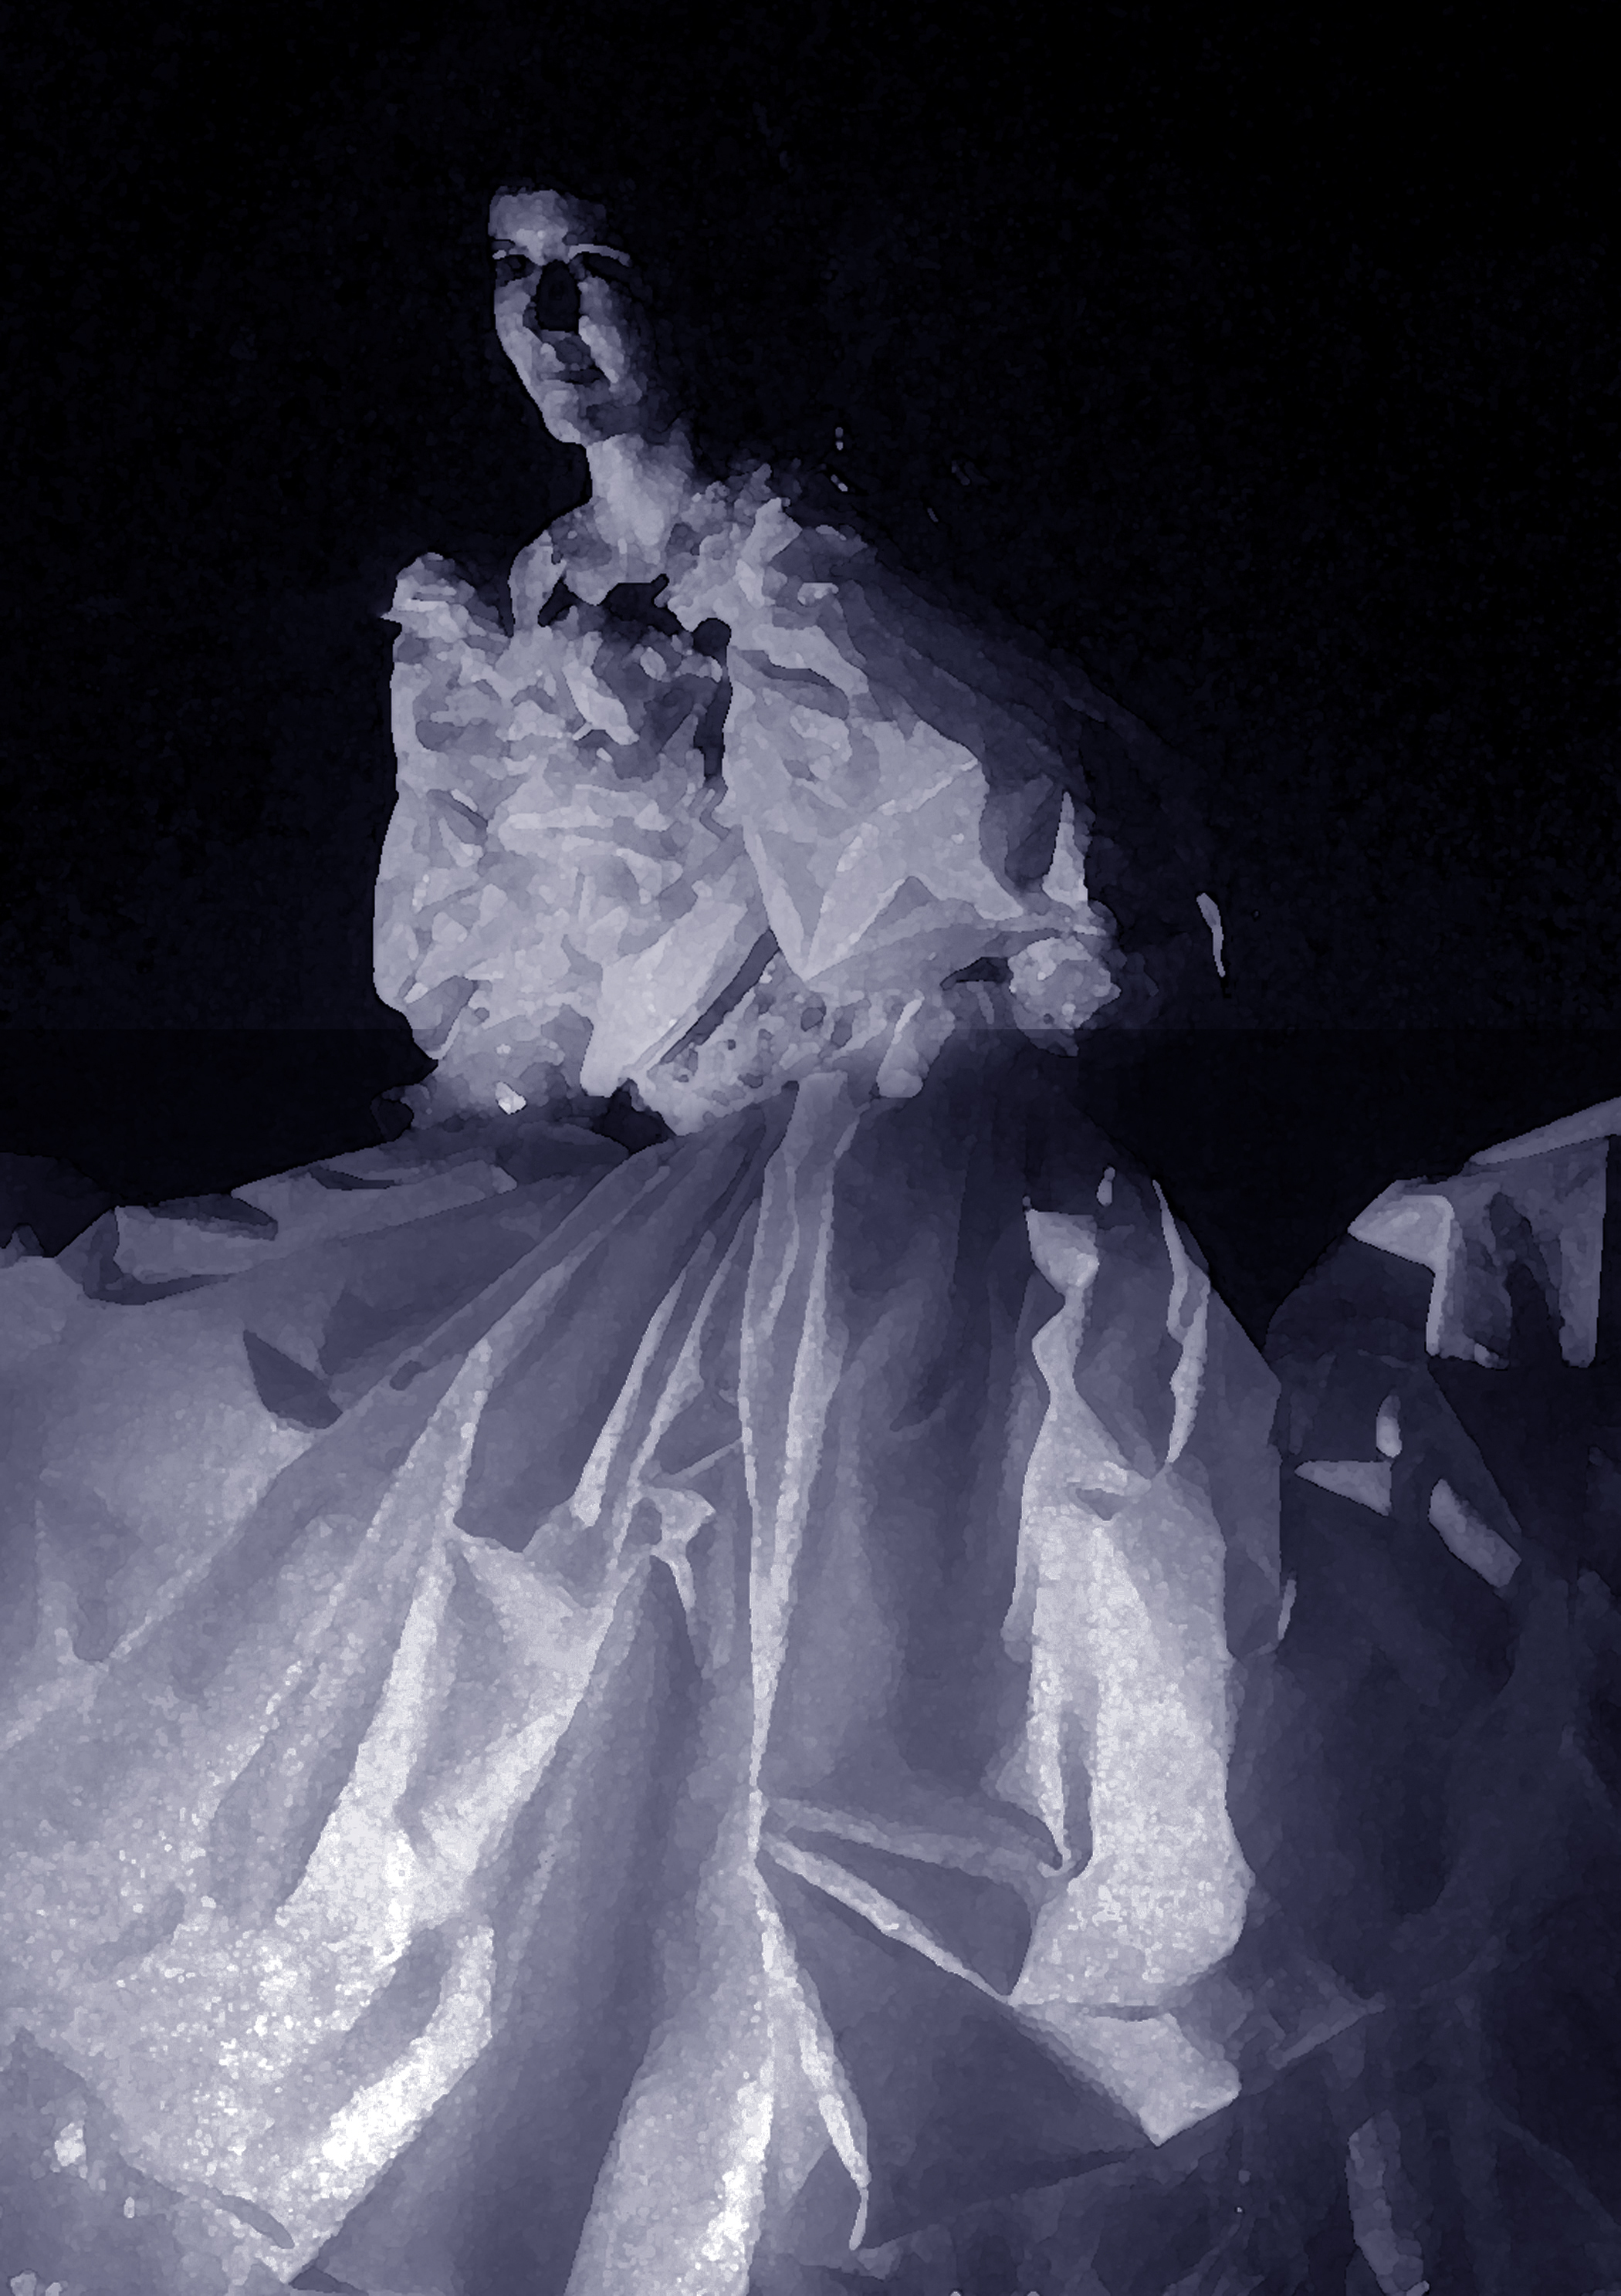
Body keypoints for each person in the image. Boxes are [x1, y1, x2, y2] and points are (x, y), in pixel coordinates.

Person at [2, 187, 1613, 2296]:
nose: (545, 320)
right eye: (507, 274)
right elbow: (513, 996)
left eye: (591, 268)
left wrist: (857, 1037)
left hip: (853, 1164)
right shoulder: (501, 614)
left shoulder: (810, 574)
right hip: (623, 1171)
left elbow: (1050, 912)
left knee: (802, 1654)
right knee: (282, 1488)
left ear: (687, 287)